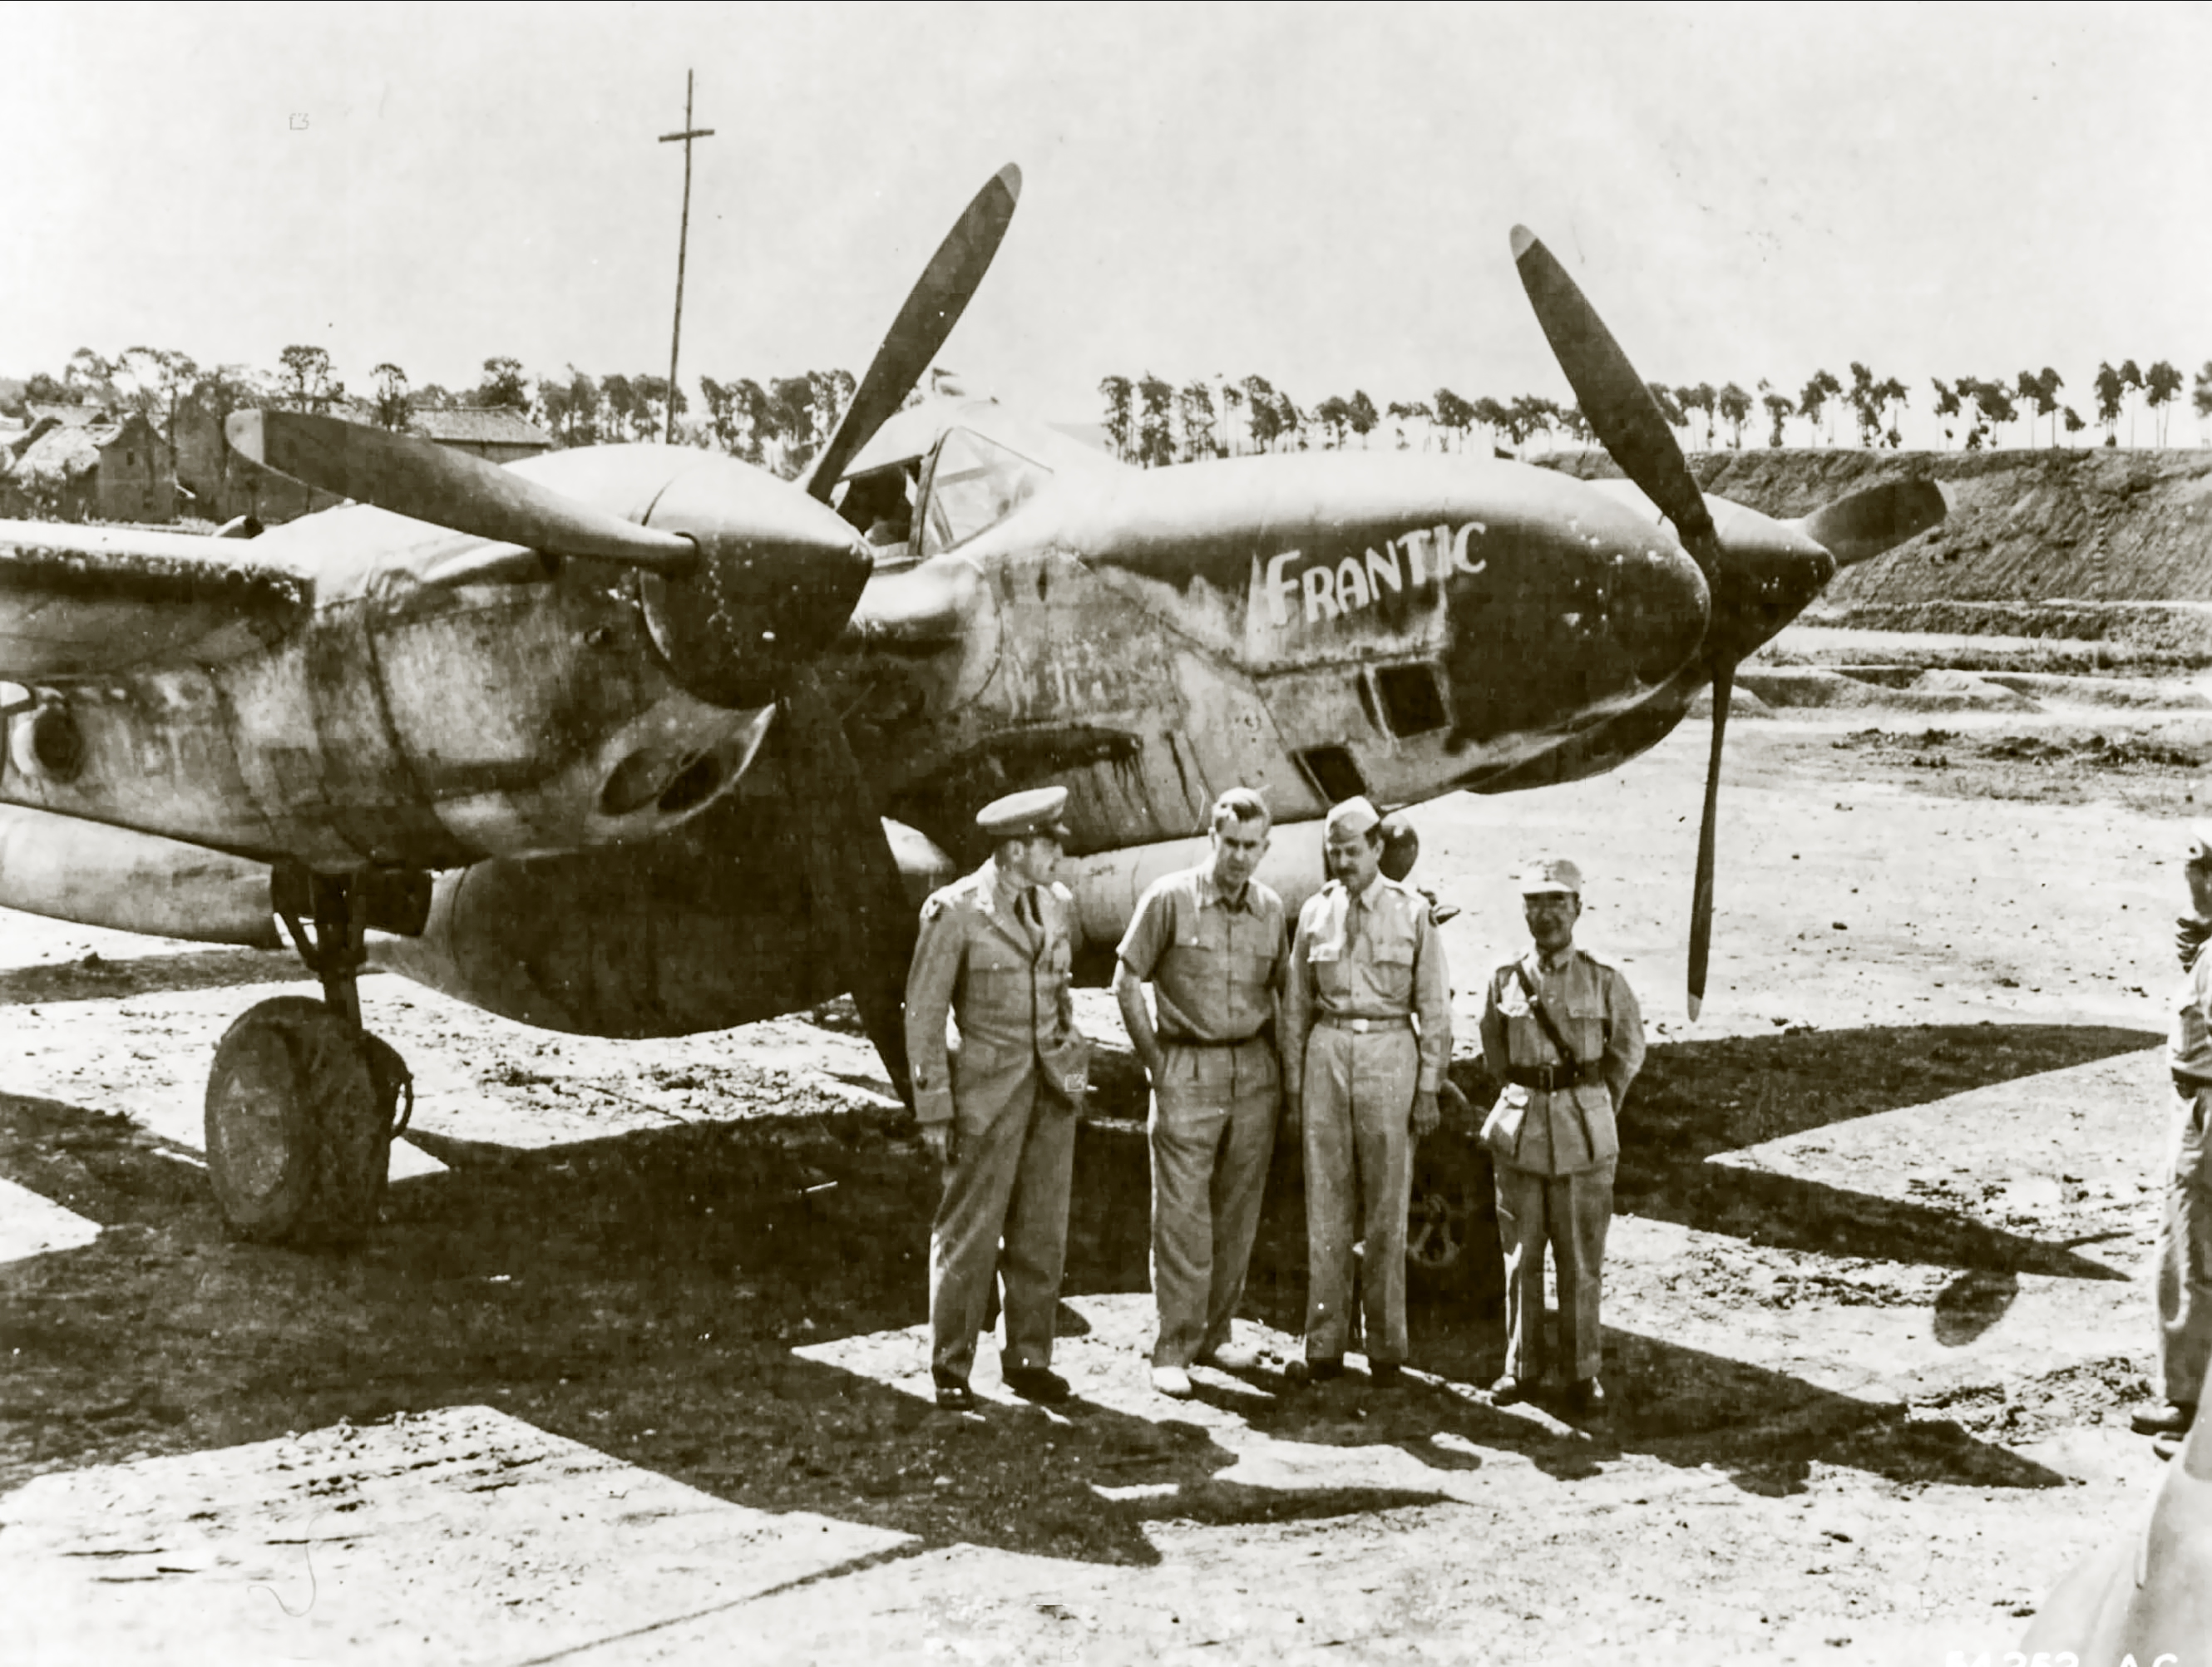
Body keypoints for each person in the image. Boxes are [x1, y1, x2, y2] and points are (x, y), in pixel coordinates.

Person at [905, 786, 1091, 1412]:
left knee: (1043, 1230)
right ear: (1015, 850)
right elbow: (925, 1017)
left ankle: (1029, 1358)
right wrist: (933, 1107)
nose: (1059, 854)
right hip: (987, 1093)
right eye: (1049, 844)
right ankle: (951, 1367)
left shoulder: (1058, 904)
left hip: (1051, 1090)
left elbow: (1062, 992)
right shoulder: (954, 910)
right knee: (970, 1232)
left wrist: (1075, 1073)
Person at [1114, 787, 1291, 1398]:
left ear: (1266, 848)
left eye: (1252, 846)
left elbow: (1282, 992)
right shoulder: (1169, 898)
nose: (1240, 857)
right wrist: (1156, 1060)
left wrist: (1284, 1076)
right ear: (1211, 839)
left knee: (1238, 1210)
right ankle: (1174, 1346)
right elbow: (1126, 978)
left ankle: (1216, 1334)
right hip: (1186, 1066)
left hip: (1253, 1070)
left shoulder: (1270, 909)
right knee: (1183, 1216)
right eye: (1230, 843)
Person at [1280, 796, 1452, 1386]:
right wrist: (1295, 1086)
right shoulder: (1314, 912)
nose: (1343, 861)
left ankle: (1385, 1346)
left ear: (1378, 847)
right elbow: (1296, 1005)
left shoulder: (1412, 914)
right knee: (1325, 1208)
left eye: (1353, 850)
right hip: (1328, 1050)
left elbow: (1434, 1009)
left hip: (1388, 1053)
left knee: (1386, 1208)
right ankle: (1323, 1343)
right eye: (1334, 852)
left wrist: (1428, 1087)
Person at [1478, 857, 1645, 1413]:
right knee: (1520, 1255)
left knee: (1580, 1257)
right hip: (1522, 1130)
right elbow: (1495, 1054)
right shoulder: (1504, 977)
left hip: (1582, 1134)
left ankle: (1581, 1373)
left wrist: (1596, 1105)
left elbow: (1626, 1051)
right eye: (1535, 902)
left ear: (1578, 908)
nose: (1546, 914)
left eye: (1557, 902)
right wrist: (1529, 1095)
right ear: (1523, 909)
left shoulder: (1603, 979)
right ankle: (1520, 1367)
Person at [2132, 826, 2212, 1452]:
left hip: (2209, 1112)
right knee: (2180, 1256)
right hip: (2197, 1106)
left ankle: (2196, 1418)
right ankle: (2184, 1399)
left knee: (2196, 1258)